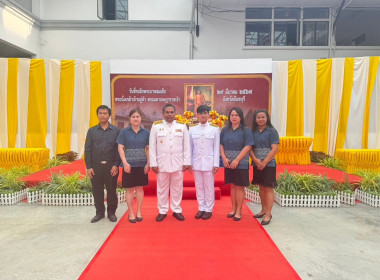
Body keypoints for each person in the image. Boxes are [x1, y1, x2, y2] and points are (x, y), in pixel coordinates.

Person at [149, 104, 191, 222]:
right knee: (162, 188)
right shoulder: (156, 126)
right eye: (167, 112)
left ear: (175, 113)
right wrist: (153, 163)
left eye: (172, 112)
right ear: (163, 113)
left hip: (178, 162)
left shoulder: (182, 126)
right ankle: (162, 210)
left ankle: (176, 209)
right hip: (162, 163)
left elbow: (186, 146)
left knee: (177, 188)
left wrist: (186, 161)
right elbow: (152, 146)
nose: (170, 114)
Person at [85, 105, 121, 223]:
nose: (102, 115)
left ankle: (111, 213)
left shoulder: (116, 131)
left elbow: (119, 150)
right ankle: (99, 213)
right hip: (96, 167)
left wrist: (116, 165)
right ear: (97, 115)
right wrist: (89, 167)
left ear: (109, 115)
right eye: (100, 113)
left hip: (111, 166)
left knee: (112, 191)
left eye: (105, 113)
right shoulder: (92, 131)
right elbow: (88, 149)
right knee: (97, 191)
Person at [220, 107, 254, 221]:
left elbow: (248, 146)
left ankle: (239, 211)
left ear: (240, 117)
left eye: (236, 115)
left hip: (241, 163)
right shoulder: (225, 130)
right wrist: (224, 158)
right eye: (232, 115)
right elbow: (221, 145)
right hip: (228, 163)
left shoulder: (246, 130)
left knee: (239, 187)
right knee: (233, 186)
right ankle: (233, 209)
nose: (234, 117)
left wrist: (237, 160)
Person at [117, 109, 150, 223]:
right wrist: (125, 163)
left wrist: (148, 163)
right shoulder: (124, 132)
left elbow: (148, 148)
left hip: (142, 164)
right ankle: (131, 212)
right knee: (130, 189)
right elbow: (120, 147)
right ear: (130, 119)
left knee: (140, 189)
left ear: (141, 118)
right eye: (133, 117)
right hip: (128, 166)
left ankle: (139, 211)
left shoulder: (146, 132)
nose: (136, 119)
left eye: (138, 116)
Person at [189, 105, 220, 220]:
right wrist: (189, 163)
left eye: (205, 113)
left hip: (209, 163)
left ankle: (208, 209)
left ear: (208, 115)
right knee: (199, 186)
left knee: (209, 186)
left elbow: (216, 147)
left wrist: (216, 163)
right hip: (196, 163)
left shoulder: (214, 129)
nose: (203, 115)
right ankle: (201, 207)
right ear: (197, 115)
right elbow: (190, 147)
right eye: (201, 113)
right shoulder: (192, 129)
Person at [249, 109, 279, 225]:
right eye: (258, 117)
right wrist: (256, 161)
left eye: (263, 117)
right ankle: (263, 210)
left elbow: (274, 148)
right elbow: (250, 148)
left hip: (269, 164)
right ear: (255, 119)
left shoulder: (272, 131)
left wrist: (265, 162)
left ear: (267, 118)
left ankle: (268, 214)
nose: (261, 119)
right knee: (261, 187)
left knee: (268, 188)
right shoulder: (253, 132)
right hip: (257, 164)